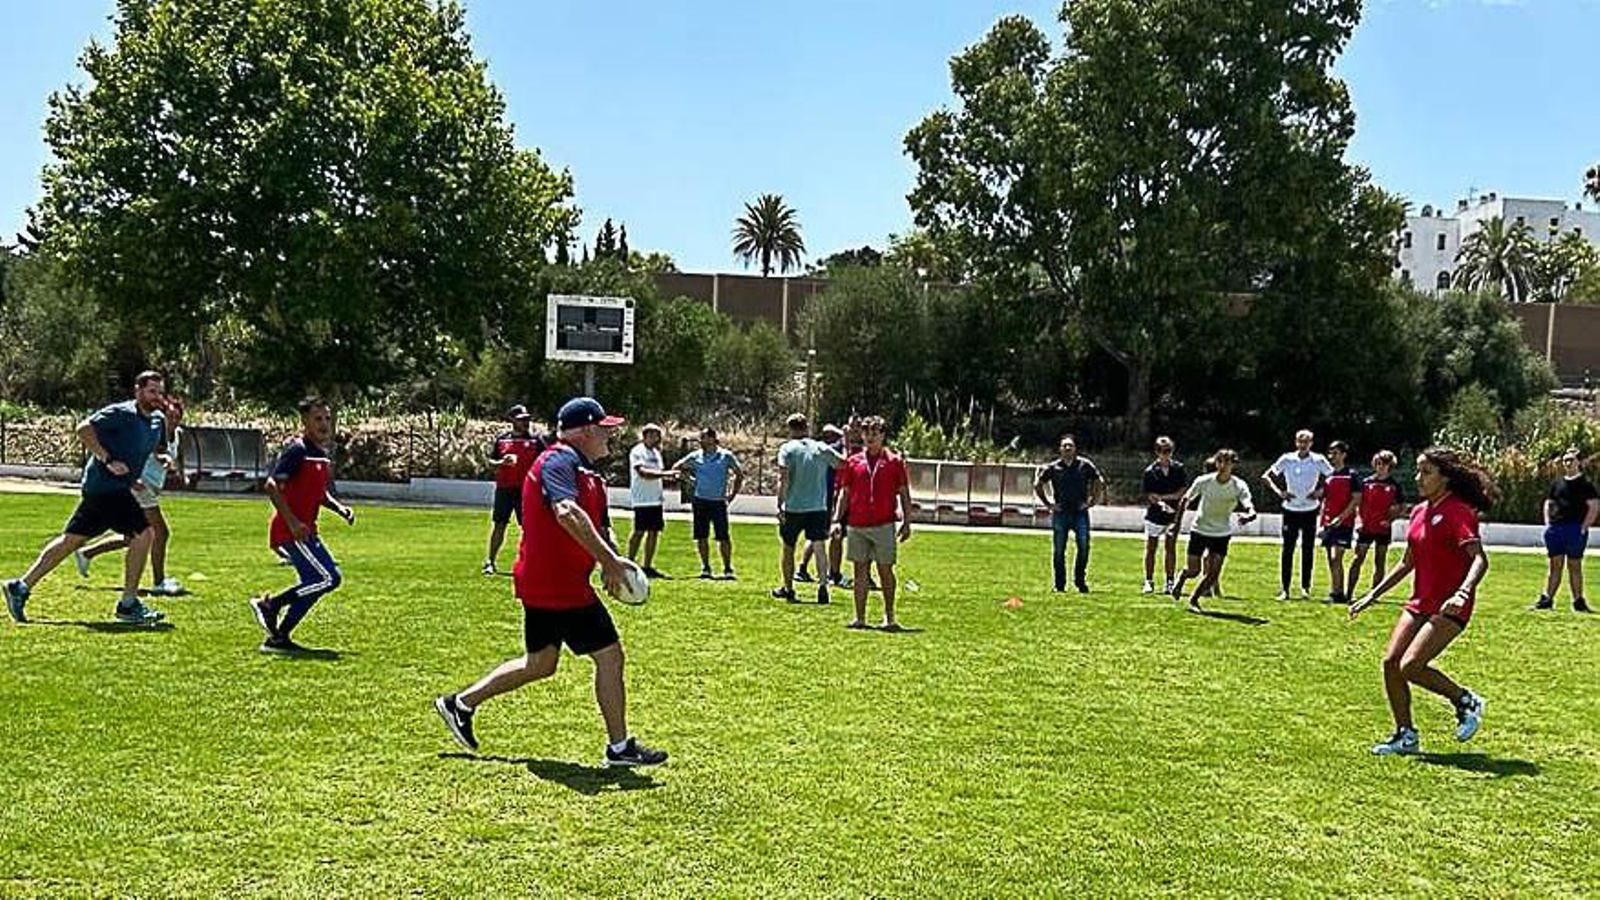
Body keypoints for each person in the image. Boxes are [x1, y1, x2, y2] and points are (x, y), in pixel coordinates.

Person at [434, 396, 667, 767]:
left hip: (553, 582)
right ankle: (620, 749)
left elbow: (598, 523)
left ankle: (458, 704)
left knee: (540, 663)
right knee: (610, 656)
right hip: (558, 585)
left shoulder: (586, 471)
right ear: (587, 429)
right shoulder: (559, 460)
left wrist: (612, 559)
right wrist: (609, 562)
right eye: (606, 428)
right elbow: (566, 511)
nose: (611, 434)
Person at [1350, 447, 1491, 756]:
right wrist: (1372, 595)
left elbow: (1479, 559)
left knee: (1411, 665)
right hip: (1419, 602)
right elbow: (1407, 562)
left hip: (1450, 606)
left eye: (1426, 472)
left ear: (1445, 477)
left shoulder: (1458, 511)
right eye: (1418, 471)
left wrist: (1463, 592)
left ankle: (1465, 700)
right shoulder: (1417, 512)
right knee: (1391, 664)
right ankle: (1405, 735)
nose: (1419, 478)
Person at [5, 371, 170, 625]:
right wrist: (108, 459)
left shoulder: (158, 421)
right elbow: (83, 429)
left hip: (115, 489)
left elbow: (152, 449)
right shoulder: (121, 413)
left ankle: (20, 586)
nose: (157, 397)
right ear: (138, 390)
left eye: (160, 392)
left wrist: (158, 462)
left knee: (70, 541)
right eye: (152, 391)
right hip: (104, 486)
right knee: (144, 534)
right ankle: (128, 604)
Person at [248, 398, 356, 654]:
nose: (324, 424)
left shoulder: (321, 454)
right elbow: (272, 485)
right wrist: (293, 521)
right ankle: (271, 605)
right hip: (291, 530)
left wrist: (340, 509)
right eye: (318, 419)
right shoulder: (297, 450)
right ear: (304, 422)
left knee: (313, 584)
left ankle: (279, 639)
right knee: (329, 578)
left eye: (327, 419)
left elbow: (319, 493)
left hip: (307, 530)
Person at [74, 394, 186, 595]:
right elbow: (140, 453)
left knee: (134, 536)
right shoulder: (149, 428)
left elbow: (162, 453)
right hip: (140, 487)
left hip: (150, 488)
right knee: (160, 532)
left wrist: (171, 465)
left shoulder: (175, 434)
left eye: (177, 417)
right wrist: (134, 480)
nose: (173, 421)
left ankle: (87, 553)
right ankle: (158, 582)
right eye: (170, 416)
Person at [831, 416, 913, 630]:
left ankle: (890, 616)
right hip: (857, 523)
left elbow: (904, 492)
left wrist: (907, 520)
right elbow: (844, 493)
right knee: (860, 571)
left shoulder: (894, 462)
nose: (870, 436)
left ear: (883, 435)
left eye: (875, 432)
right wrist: (837, 520)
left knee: (885, 570)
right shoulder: (853, 461)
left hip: (884, 523)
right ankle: (859, 617)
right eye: (866, 432)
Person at [1170, 449, 1257, 613]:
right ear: (1216, 463)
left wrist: (1250, 515)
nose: (1223, 465)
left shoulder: (1239, 485)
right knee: (1194, 571)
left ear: (1233, 465)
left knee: (1213, 574)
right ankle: (1182, 577)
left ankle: (1194, 600)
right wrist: (1176, 523)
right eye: (1220, 461)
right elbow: (1185, 500)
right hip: (1200, 529)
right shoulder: (1204, 481)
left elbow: (1248, 504)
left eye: (1227, 462)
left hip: (1221, 533)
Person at [771, 413, 845, 605]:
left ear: (790, 429)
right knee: (820, 546)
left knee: (788, 547)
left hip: (794, 506)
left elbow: (783, 478)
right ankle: (822, 586)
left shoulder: (787, 449)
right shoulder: (820, 447)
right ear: (807, 427)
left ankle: (788, 588)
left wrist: (780, 503)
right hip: (818, 507)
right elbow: (842, 463)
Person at [1264, 429, 1333, 600]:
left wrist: (1321, 491)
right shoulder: (1287, 459)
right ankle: (1285, 589)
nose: (1303, 444)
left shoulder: (1318, 460)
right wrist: (1280, 492)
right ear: (1296, 442)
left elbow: (1334, 478)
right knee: (1288, 550)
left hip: (1310, 510)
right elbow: (1266, 476)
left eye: (1307, 441)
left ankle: (1305, 588)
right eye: (1300, 441)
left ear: (1311, 443)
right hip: (1290, 510)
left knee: (1308, 550)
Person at [1033, 435, 1104, 593]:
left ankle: (1080, 581)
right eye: (1064, 446)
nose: (1067, 448)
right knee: (1059, 550)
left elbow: (1099, 481)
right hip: (1061, 513)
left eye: (1070, 446)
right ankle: (1059, 584)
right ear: (1060, 449)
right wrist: (1048, 504)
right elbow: (1038, 484)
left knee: (1084, 547)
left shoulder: (1084, 465)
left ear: (1075, 449)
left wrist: (1092, 501)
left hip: (1080, 513)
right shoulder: (1053, 467)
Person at [483, 405, 546, 576]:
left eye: (527, 419)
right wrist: (502, 462)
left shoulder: (536, 441)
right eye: (521, 419)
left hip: (527, 490)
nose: (526, 422)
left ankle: (530, 562)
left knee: (528, 527)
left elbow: (546, 462)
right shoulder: (502, 440)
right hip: (504, 489)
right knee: (499, 524)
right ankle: (490, 561)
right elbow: (492, 461)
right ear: (512, 420)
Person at [672, 428, 743, 579]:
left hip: (718, 502)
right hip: (700, 501)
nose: (700, 441)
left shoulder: (725, 456)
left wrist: (731, 495)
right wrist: (690, 481)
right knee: (701, 535)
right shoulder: (695, 456)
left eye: (703, 438)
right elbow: (676, 468)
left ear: (712, 439)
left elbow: (739, 475)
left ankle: (728, 568)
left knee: (723, 537)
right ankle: (705, 568)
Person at [1532, 447, 1597, 613]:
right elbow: (1549, 502)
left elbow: (1594, 506)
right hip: (1556, 529)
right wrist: (1548, 523)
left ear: (1578, 462)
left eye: (1571, 460)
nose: (1568, 463)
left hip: (1575, 529)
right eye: (1565, 460)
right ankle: (1547, 599)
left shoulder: (1586, 484)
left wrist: (1584, 527)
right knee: (1555, 565)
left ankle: (1578, 601)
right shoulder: (1557, 483)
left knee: (1575, 565)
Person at [1348, 450, 1405, 598]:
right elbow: (1358, 503)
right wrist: (1359, 521)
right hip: (1366, 526)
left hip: (1383, 529)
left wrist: (1390, 520)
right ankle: (1349, 593)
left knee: (1380, 561)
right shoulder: (1366, 482)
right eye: (1378, 463)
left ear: (1390, 465)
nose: (1381, 467)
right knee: (1357, 559)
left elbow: (1401, 507)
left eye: (1385, 464)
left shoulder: (1394, 485)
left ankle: (1373, 594)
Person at [797, 423, 847, 584]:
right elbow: (845, 460)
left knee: (818, 535)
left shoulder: (823, 448)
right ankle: (828, 573)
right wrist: (844, 437)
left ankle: (806, 569)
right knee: (822, 535)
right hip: (828, 496)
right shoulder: (829, 448)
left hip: (830, 495)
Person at [627, 423, 676, 579]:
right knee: (639, 531)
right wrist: (665, 474)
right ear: (646, 436)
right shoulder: (638, 451)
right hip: (642, 499)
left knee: (654, 532)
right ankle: (629, 562)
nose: (657, 439)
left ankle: (647, 566)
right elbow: (642, 473)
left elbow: (657, 473)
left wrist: (666, 476)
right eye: (654, 435)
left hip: (655, 499)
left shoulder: (656, 453)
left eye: (658, 435)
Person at [1141, 436, 1188, 594]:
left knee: (1170, 547)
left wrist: (1164, 498)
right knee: (1151, 548)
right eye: (1162, 451)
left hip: (1173, 514)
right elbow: (1150, 495)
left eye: (1168, 451)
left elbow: (1182, 492)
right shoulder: (1150, 471)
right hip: (1155, 514)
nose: (1165, 454)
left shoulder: (1178, 468)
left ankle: (1169, 581)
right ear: (1156, 452)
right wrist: (1161, 500)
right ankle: (1148, 581)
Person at [1318, 441, 1363, 605]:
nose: (1332, 456)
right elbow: (1326, 500)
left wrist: (1341, 518)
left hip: (1344, 523)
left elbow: (1357, 499)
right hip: (1329, 523)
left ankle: (1339, 593)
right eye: (1330, 453)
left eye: (1335, 453)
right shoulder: (1329, 476)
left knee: (1336, 557)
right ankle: (1336, 592)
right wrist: (1322, 522)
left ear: (1344, 454)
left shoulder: (1352, 475)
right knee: (1331, 560)